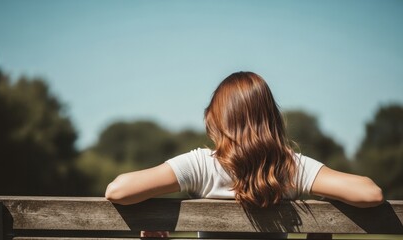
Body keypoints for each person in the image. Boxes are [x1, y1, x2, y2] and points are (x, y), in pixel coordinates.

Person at [105, 71, 383, 210]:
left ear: (218, 121)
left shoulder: (201, 166)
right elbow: (371, 193)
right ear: (271, 118)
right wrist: (324, 192)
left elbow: (118, 190)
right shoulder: (289, 168)